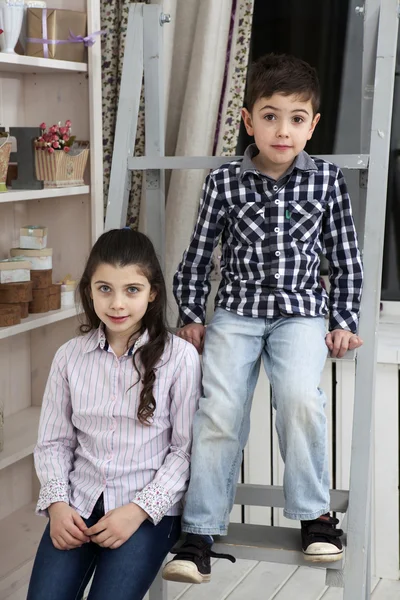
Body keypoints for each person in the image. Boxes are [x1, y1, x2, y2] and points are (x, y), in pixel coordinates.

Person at [162, 53, 364, 585]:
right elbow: (199, 253)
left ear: (313, 125)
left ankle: (316, 517)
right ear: (249, 121)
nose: (283, 129)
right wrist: (190, 315)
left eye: (297, 118)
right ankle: (199, 531)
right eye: (270, 115)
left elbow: (345, 260)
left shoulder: (325, 182)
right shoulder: (225, 181)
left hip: (301, 314)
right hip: (236, 313)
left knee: (300, 398)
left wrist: (342, 319)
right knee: (219, 411)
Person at [27, 228, 201, 600]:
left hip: (146, 512)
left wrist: (137, 511)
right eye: (105, 288)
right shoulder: (69, 356)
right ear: (89, 290)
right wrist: (58, 505)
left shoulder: (180, 358)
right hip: (77, 504)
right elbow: (54, 442)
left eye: (132, 290)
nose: (117, 303)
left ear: (152, 292)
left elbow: (185, 452)